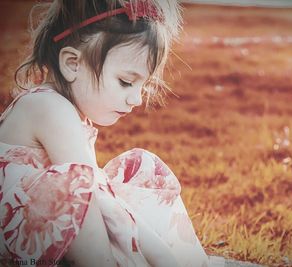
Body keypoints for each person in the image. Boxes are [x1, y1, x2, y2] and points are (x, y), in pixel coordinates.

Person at [0, 1, 224, 266]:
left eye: (144, 84)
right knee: (78, 186)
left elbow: (104, 199)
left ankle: (192, 262)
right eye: (126, 82)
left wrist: (162, 255)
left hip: (57, 234)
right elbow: (89, 198)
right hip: (20, 245)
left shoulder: (70, 112)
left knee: (143, 167)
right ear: (72, 63)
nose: (137, 99)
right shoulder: (49, 108)